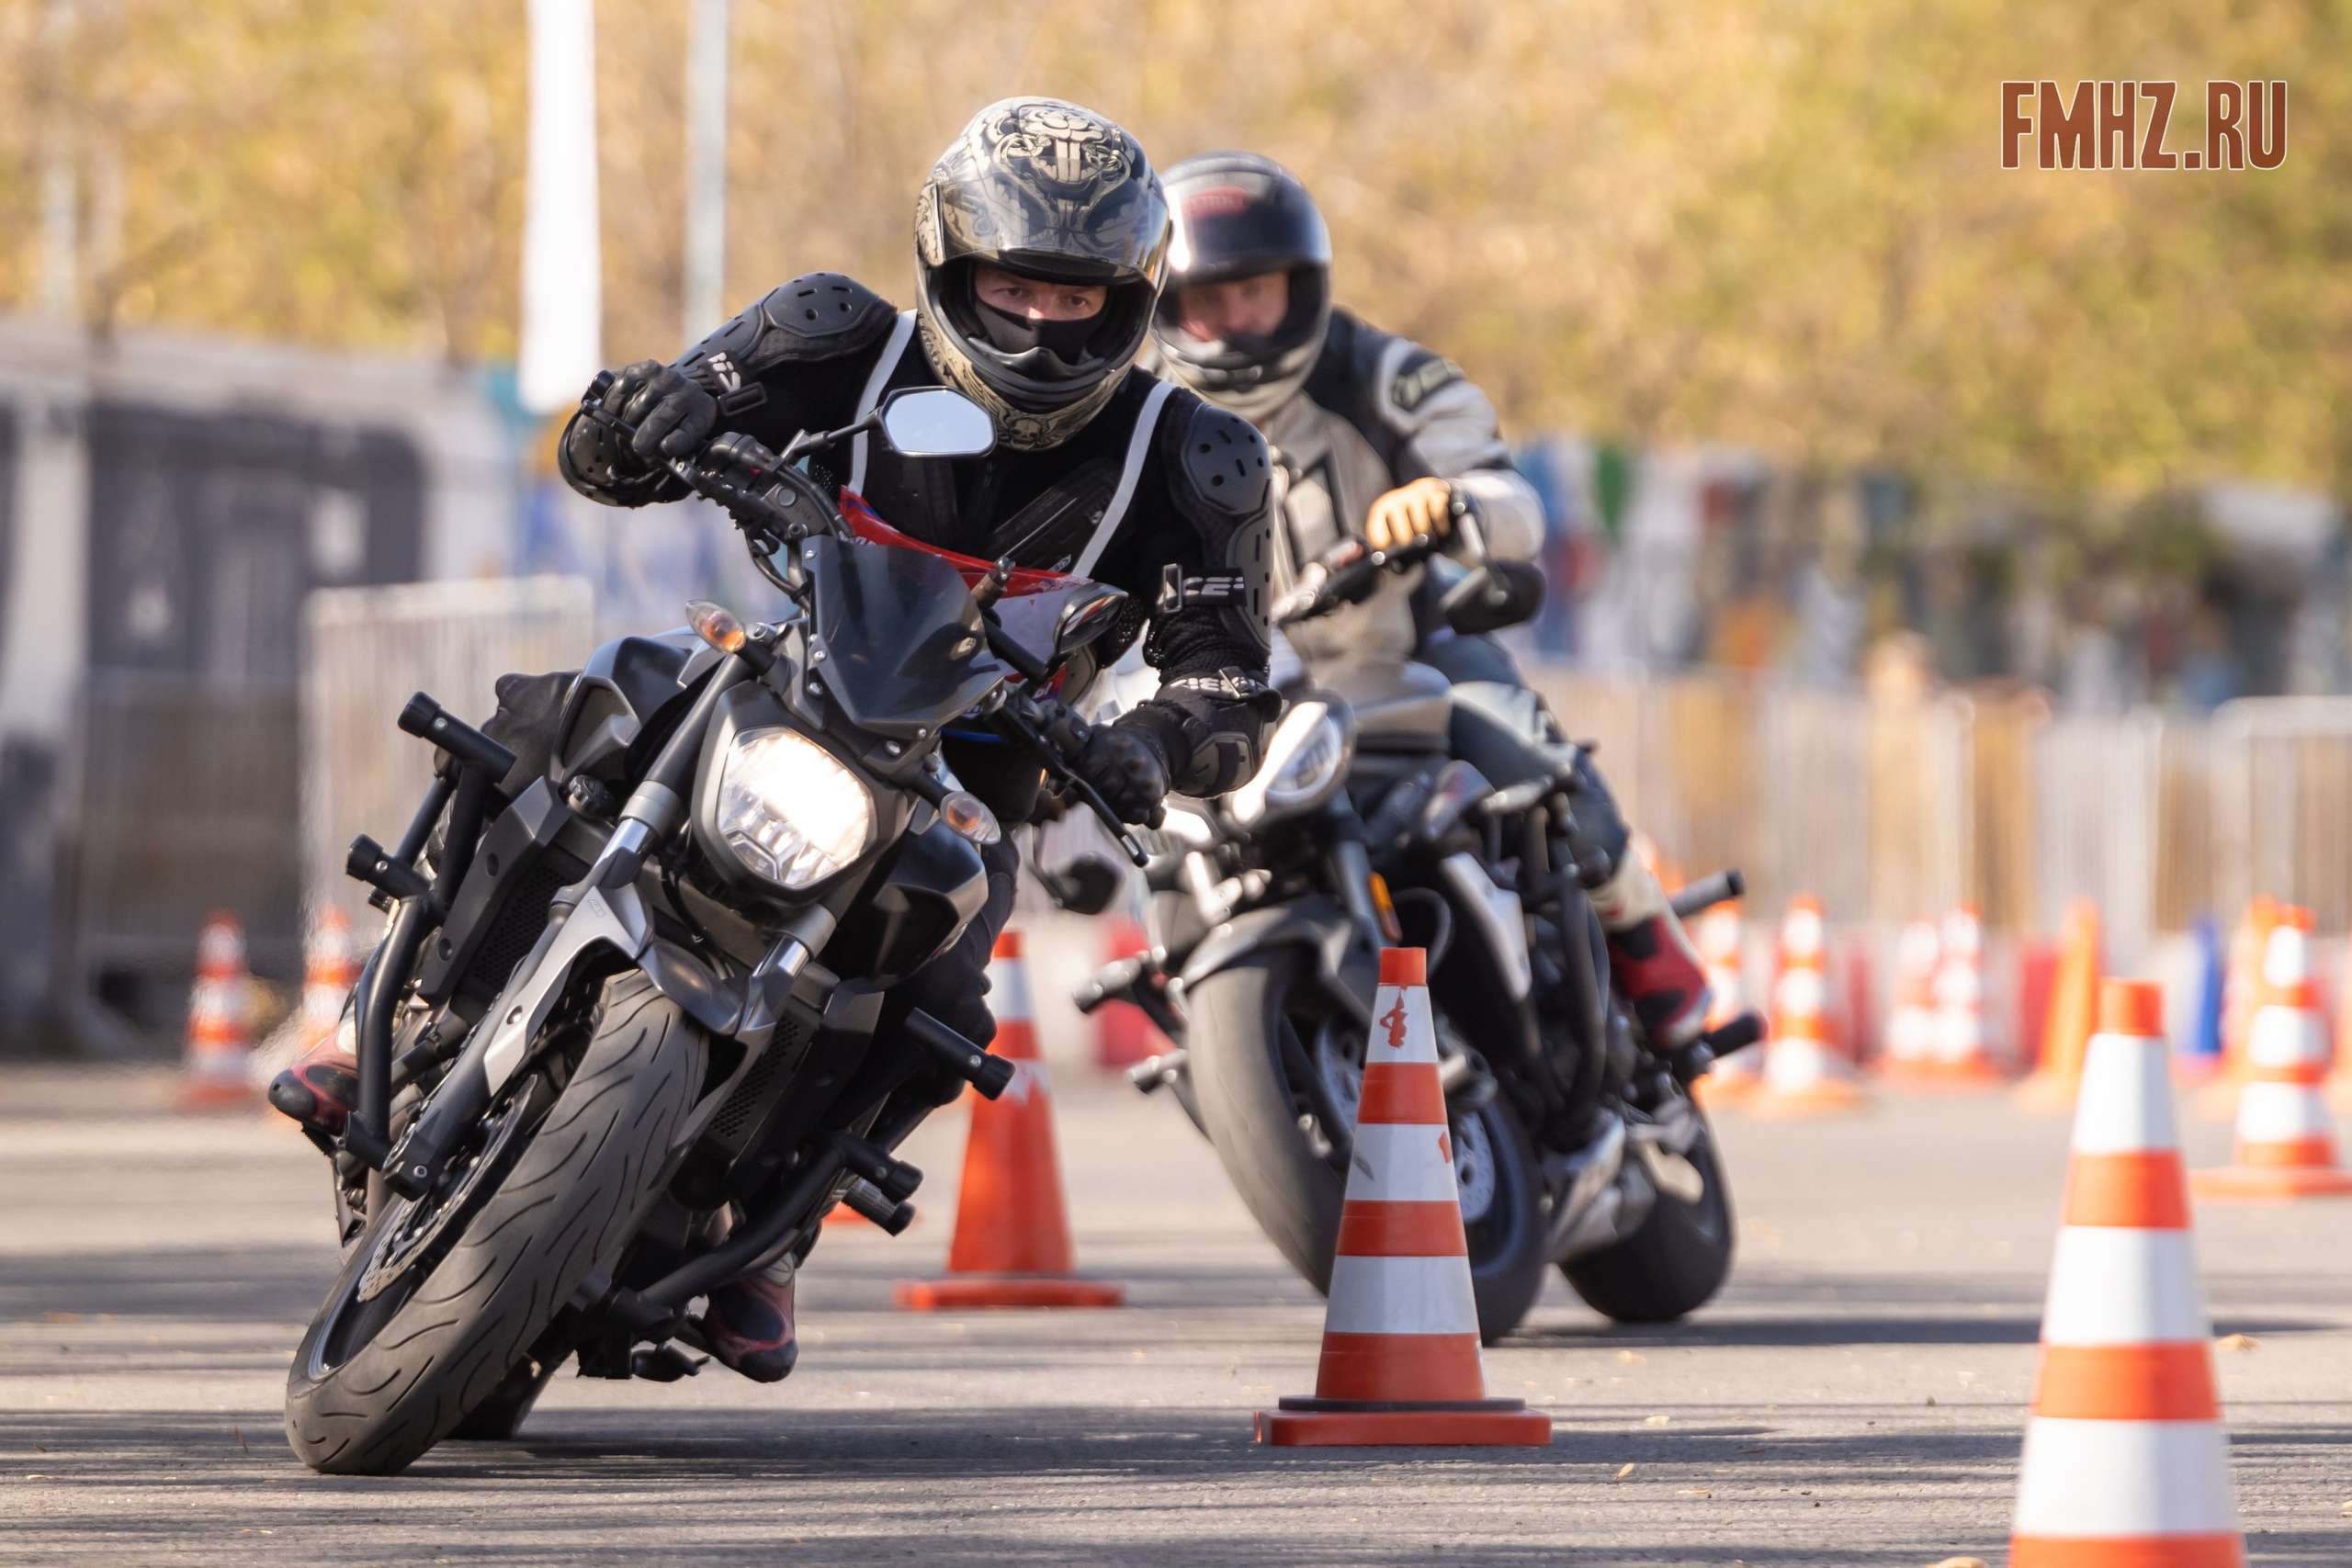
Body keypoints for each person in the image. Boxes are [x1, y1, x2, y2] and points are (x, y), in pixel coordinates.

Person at [279, 101, 1276, 1384]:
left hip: (972, 773)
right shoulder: (834, 335)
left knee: (953, 975)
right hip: (787, 680)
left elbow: (1231, 679)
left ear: (1129, 297)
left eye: (1074, 295)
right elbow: (614, 445)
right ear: (949, 262)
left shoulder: (1194, 456)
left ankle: (764, 1237)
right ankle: (390, 1004)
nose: (1038, 318)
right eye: (1012, 280)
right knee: (599, 692)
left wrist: (1161, 738)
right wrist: (642, 414)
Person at [1144, 150, 1708, 1055]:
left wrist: (1451, 503)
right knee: (1135, 826)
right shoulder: (1140, 417)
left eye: (1258, 293)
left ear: (1303, 287)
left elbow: (1511, 502)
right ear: (1165, 303)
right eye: (1210, 300)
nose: (1236, 320)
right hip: (1229, 689)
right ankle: (1211, 1031)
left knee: (1536, 763)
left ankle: (1650, 951)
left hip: (1400, 657)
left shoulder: (1377, 374)